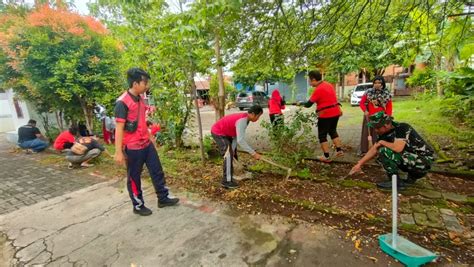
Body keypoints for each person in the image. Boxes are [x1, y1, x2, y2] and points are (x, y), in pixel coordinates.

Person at [114, 67, 179, 216]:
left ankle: (163, 198)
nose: (147, 85)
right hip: (133, 147)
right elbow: (119, 128)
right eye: (145, 82)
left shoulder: (141, 99)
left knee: (157, 170)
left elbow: (142, 120)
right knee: (134, 177)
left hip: (146, 144)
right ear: (135, 83)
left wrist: (151, 138)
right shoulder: (122, 103)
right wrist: (118, 152)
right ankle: (138, 205)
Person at [349, 112, 434, 190]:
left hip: (423, 162)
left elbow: (398, 148)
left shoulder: (402, 128)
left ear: (386, 126)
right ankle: (409, 179)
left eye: (377, 128)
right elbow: (373, 149)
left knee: (384, 151)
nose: (375, 130)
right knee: (382, 151)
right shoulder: (384, 134)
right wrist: (359, 164)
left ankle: (395, 183)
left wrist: (382, 142)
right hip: (414, 160)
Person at [211, 105, 263, 189]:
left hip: (227, 134)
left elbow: (236, 136)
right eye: (258, 116)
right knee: (228, 155)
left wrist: (233, 148)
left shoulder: (246, 119)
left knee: (232, 153)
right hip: (219, 132)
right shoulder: (242, 121)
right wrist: (253, 153)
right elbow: (241, 140)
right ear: (253, 114)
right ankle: (226, 181)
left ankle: (233, 173)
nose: (258, 118)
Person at [299, 70, 343, 163]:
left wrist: (299, 103)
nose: (310, 83)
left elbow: (308, 104)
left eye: (310, 81)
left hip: (325, 114)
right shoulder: (328, 85)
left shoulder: (319, 89)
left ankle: (326, 156)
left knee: (322, 135)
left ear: (314, 79)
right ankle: (339, 150)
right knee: (332, 131)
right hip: (336, 112)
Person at [358, 76, 392, 156]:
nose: (377, 84)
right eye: (375, 83)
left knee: (379, 134)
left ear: (382, 84)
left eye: (379, 83)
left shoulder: (386, 93)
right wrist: (365, 111)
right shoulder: (368, 92)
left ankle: (379, 151)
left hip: (381, 117)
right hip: (369, 116)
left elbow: (389, 107)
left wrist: (387, 117)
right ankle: (365, 151)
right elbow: (362, 103)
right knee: (367, 133)